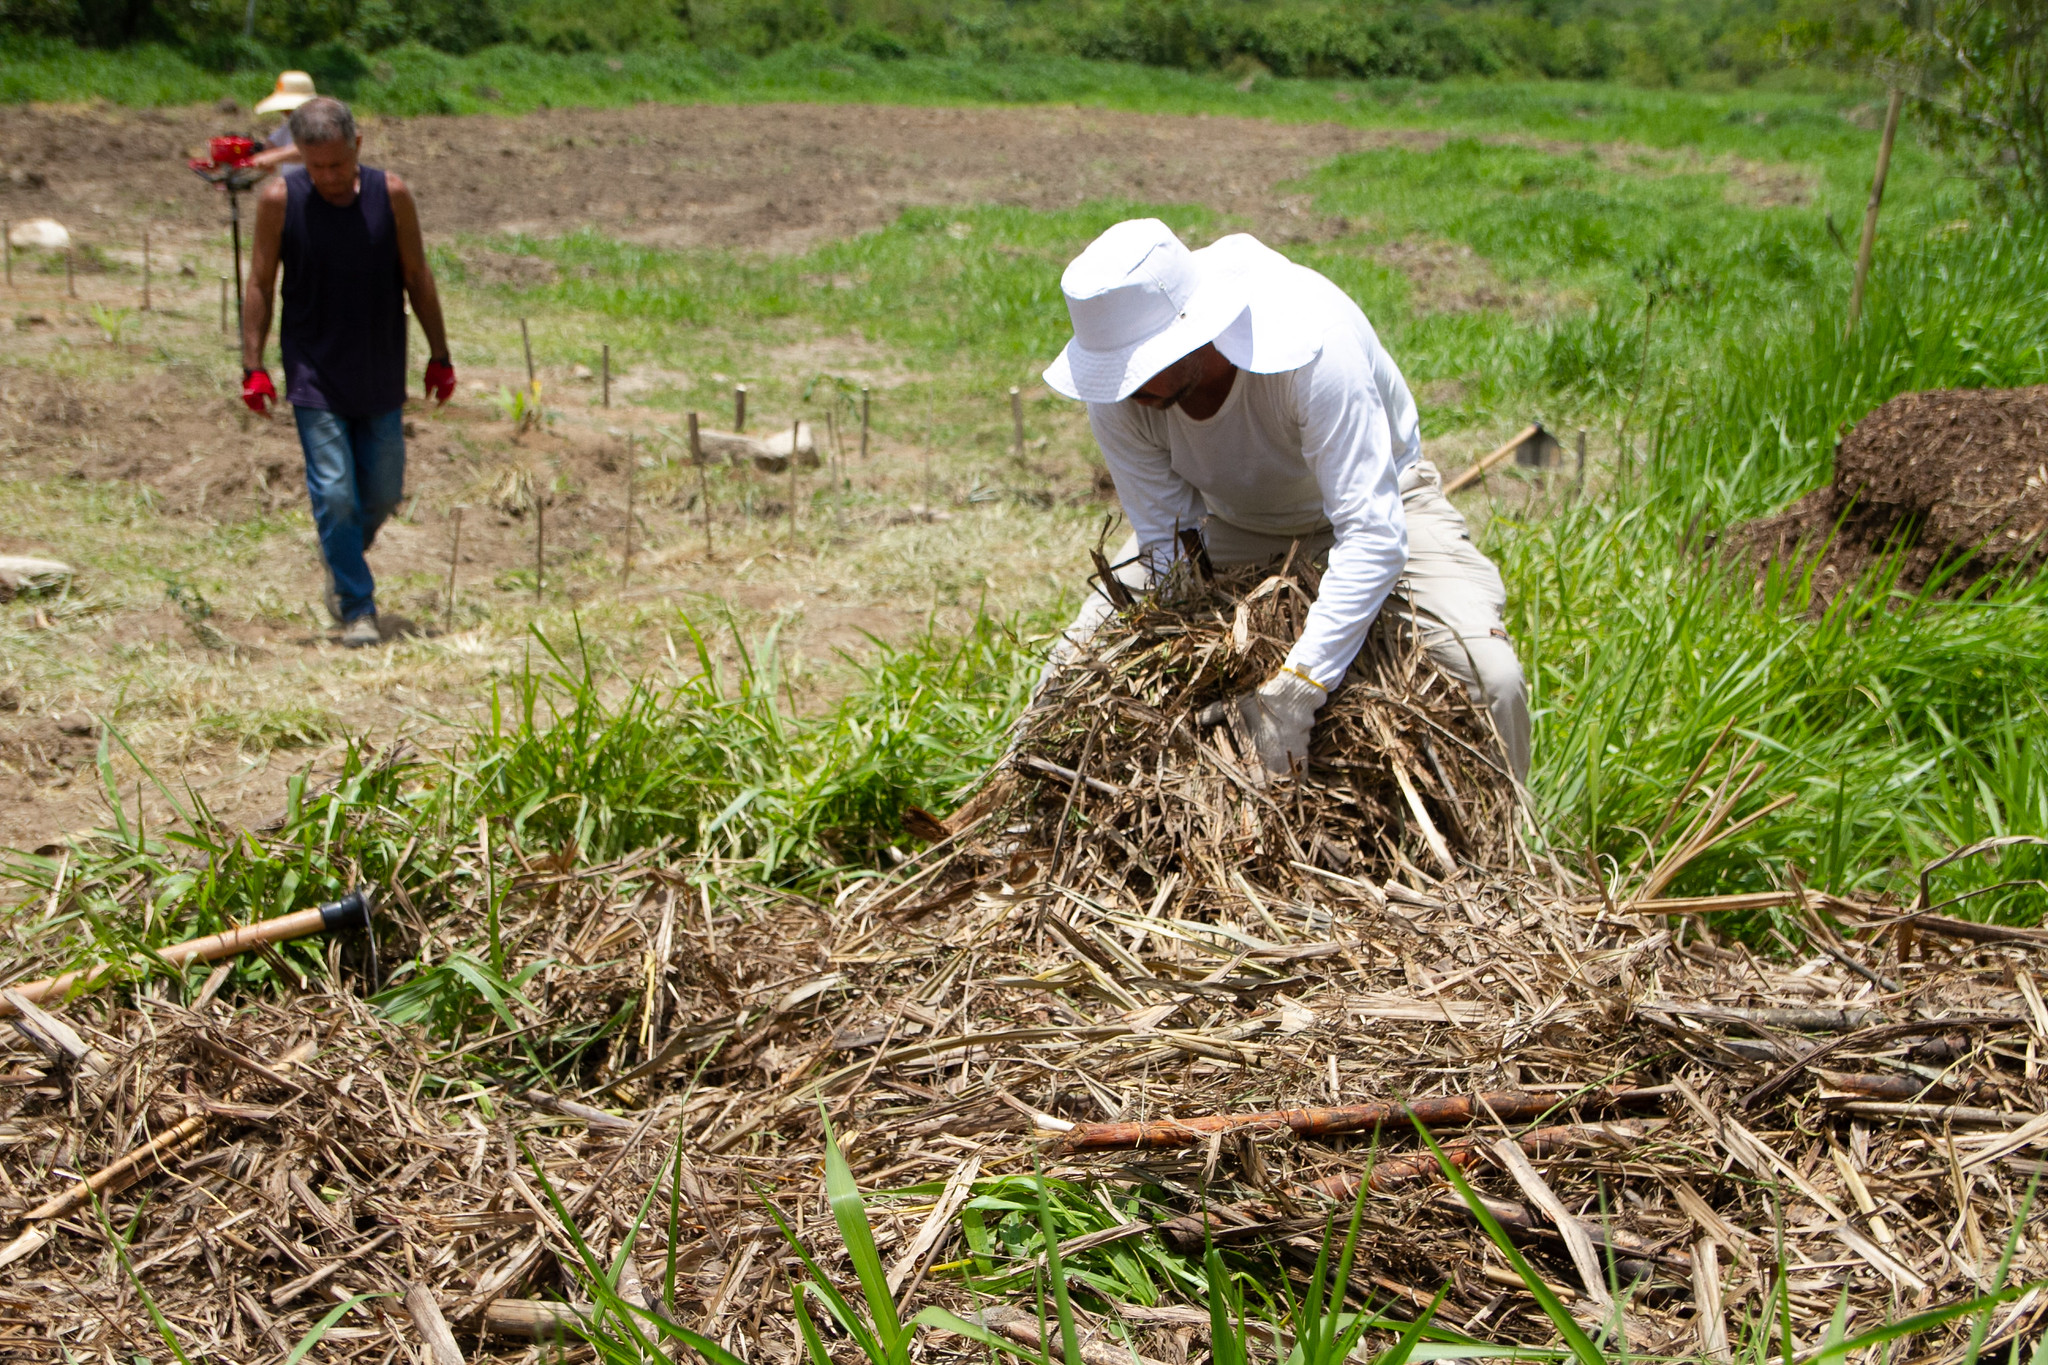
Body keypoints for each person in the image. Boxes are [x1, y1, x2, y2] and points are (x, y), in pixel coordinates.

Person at [1043, 218, 1530, 783]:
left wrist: (1297, 691)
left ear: (1196, 329)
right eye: (1113, 373)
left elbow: (1372, 534)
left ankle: (1506, 857)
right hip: (1231, 521)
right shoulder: (1120, 391)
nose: (1125, 392)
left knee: (1492, 679)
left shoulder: (1309, 344)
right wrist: (1188, 654)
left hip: (1383, 507)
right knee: (1067, 668)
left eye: (1140, 367)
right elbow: (1166, 538)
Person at [240, 95, 457, 648]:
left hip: (380, 364)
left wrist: (440, 354)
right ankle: (357, 608)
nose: (330, 178)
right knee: (335, 494)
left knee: (382, 494)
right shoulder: (280, 200)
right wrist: (254, 366)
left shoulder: (392, 195)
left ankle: (338, 557)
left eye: (338, 164)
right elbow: (261, 282)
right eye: (316, 167)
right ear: (301, 161)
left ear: (357, 146)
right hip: (314, 369)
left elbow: (416, 272)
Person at [248, 71, 316, 173]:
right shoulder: (291, 125)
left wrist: (274, 157)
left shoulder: (320, 124)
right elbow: (269, 147)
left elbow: (313, 149)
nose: (283, 110)